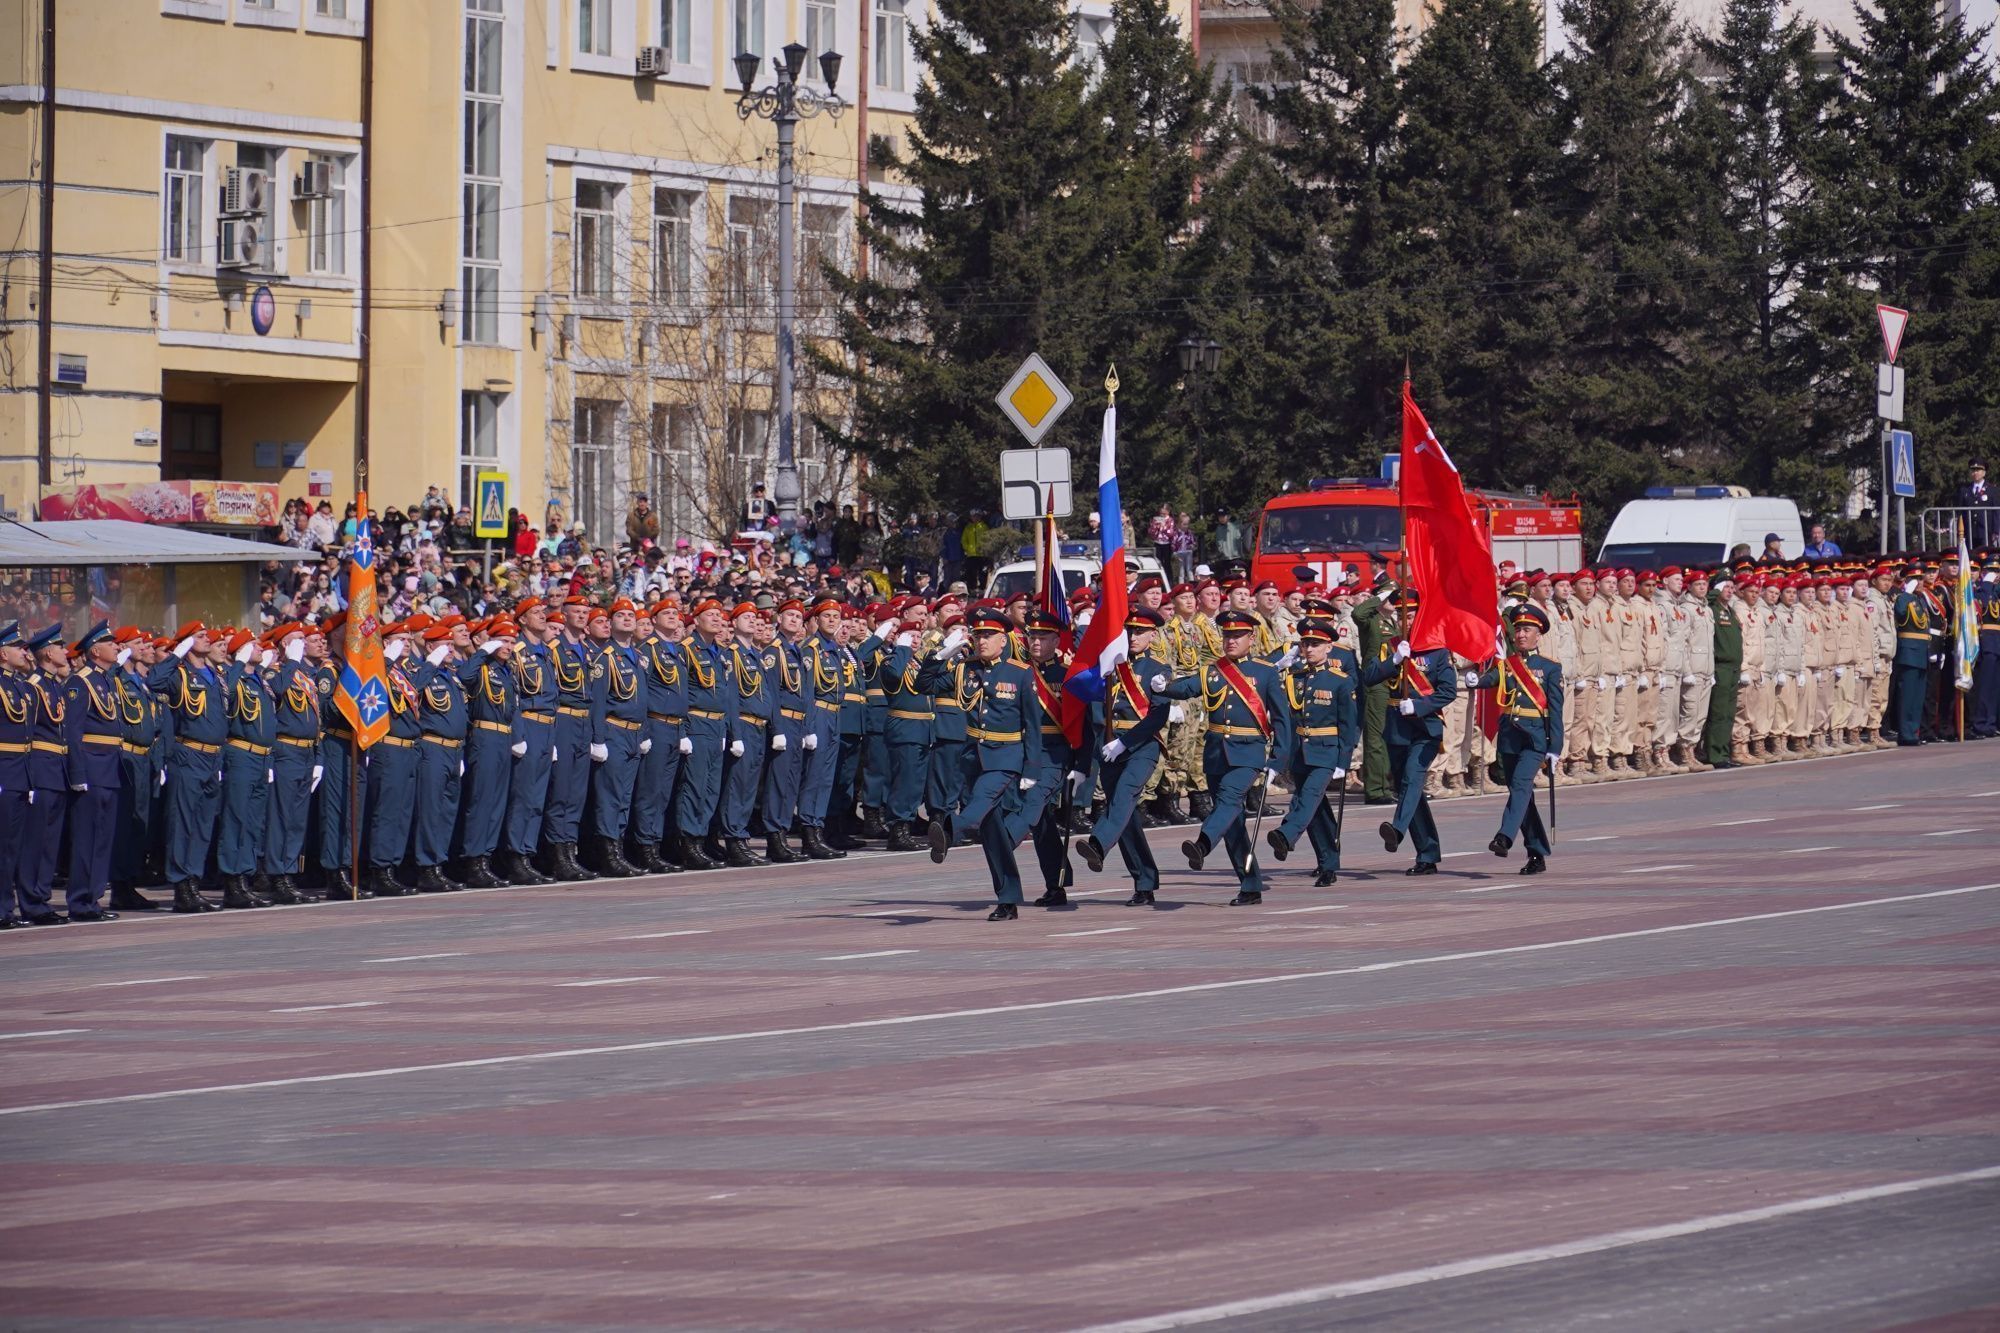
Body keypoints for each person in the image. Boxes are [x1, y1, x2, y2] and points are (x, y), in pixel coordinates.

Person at [919, 607, 1044, 920]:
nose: (982, 640)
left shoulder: (1019, 672)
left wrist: (1032, 769)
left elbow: (1033, 725)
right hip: (973, 757)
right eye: (978, 635)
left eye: (989, 635)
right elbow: (925, 684)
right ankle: (1009, 898)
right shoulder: (966, 668)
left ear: (1004, 639)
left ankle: (949, 830)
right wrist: (941, 653)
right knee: (994, 832)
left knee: (978, 804)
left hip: (1005, 757)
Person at [1074, 608, 1195, 907]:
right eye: (1130, 630)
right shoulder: (1113, 664)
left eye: (1140, 631)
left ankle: (1098, 844)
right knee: (1125, 817)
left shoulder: (1159, 670)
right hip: (1110, 746)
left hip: (1142, 746)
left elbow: (1158, 717)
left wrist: (1125, 743)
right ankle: (1144, 880)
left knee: (1123, 799)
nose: (1133, 636)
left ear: (1153, 635)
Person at [1180, 609, 1294, 905]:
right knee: (1232, 821)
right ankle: (1250, 884)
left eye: (1237, 635)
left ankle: (1202, 844)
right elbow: (1187, 687)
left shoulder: (1265, 671)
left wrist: (1278, 760)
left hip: (1249, 752)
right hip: (1217, 753)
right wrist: (1160, 687)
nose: (1230, 641)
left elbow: (1282, 719)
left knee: (1230, 800)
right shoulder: (1212, 670)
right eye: (1227, 635)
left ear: (1251, 638)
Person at [1360, 594, 1458, 874]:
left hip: (1425, 728)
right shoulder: (1391, 646)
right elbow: (1369, 676)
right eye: (1402, 614)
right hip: (1397, 727)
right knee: (1409, 789)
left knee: (1413, 779)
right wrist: (1394, 659)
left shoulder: (1438, 651)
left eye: (1412, 614)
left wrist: (1419, 705)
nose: (1407, 620)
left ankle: (1398, 829)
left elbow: (1448, 692)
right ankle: (1427, 854)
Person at [1265, 616, 1358, 887]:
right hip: (1300, 751)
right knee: (1317, 811)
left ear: (1329, 647)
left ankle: (1286, 834)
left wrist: (1344, 759)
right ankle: (1327, 863)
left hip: (1326, 752)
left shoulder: (1340, 681)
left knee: (1308, 797)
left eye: (1316, 644)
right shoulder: (1294, 678)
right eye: (1306, 644)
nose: (1309, 649)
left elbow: (1348, 725)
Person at [1477, 604, 1563, 876]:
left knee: (1521, 785)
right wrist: (1471, 679)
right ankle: (1537, 853)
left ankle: (1504, 836)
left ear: (1539, 634)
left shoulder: (1549, 668)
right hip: (1511, 737)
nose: (1522, 635)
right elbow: (1489, 679)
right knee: (1522, 795)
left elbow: (1557, 712)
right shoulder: (1507, 665)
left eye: (1527, 630)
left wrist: (1555, 748)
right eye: (1519, 629)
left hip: (1535, 738)